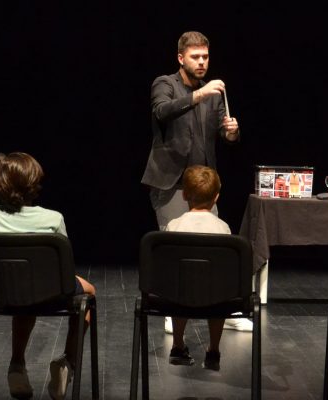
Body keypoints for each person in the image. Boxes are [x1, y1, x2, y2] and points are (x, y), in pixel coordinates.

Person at [0, 152, 97, 399]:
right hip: (47, 293)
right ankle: (68, 361)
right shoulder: (53, 218)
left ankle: (16, 364)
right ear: (34, 183)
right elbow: (63, 266)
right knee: (88, 291)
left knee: (23, 293)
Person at [142, 31, 241, 230]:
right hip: (173, 184)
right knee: (176, 242)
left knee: (210, 243)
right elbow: (161, 111)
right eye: (195, 57)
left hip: (204, 185)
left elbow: (225, 133)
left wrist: (231, 132)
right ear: (180, 58)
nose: (202, 62)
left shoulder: (213, 94)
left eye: (205, 57)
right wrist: (200, 94)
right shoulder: (165, 83)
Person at [161, 165, 252, 371]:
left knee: (182, 282)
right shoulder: (223, 228)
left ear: (184, 194)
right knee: (219, 287)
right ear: (217, 197)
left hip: (177, 296)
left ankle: (177, 344)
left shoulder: (173, 226)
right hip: (216, 298)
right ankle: (213, 350)